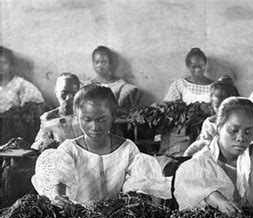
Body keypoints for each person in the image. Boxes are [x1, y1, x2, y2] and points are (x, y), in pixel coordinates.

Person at [32, 84, 170, 205]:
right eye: (87, 120)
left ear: (113, 116)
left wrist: (134, 200)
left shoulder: (127, 149)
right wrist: (58, 197)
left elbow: (139, 187)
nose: (94, 127)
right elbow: (58, 183)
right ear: (77, 116)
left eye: (102, 120)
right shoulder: (69, 150)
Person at [174, 97, 253, 215]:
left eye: (248, 132)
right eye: (233, 130)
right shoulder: (200, 164)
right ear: (219, 127)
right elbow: (192, 187)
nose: (241, 138)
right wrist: (217, 200)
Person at [184, 76, 239, 156]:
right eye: (217, 107)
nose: (221, 111)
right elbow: (202, 144)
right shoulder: (210, 123)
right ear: (212, 104)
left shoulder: (239, 122)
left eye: (225, 107)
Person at [0, 46, 44, 142]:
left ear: (11, 65)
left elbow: (32, 115)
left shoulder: (21, 85)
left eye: (3, 63)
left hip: (10, 133)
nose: (0, 66)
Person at [31, 73, 82, 152]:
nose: (68, 98)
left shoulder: (86, 117)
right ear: (56, 92)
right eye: (64, 93)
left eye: (73, 93)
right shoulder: (48, 118)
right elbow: (38, 145)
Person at [90, 46, 140, 111]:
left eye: (103, 62)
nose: (99, 66)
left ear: (110, 64)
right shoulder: (89, 85)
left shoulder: (121, 86)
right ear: (93, 64)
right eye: (96, 62)